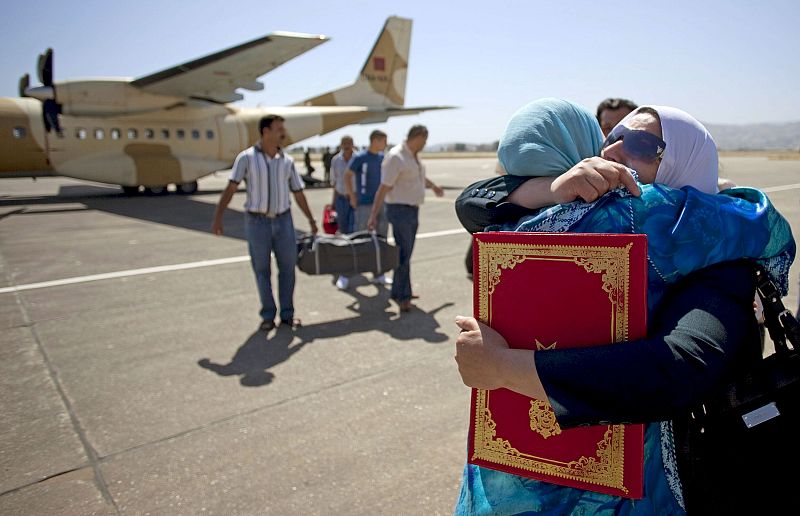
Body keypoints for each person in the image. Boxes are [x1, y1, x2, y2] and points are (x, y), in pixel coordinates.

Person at [453, 99, 795, 514]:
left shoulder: (717, 250)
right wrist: (550, 187)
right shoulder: (582, 220)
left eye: (638, 143)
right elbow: (475, 199)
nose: (612, 151)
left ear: (684, 160)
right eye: (608, 138)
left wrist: (503, 367)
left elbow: (679, 367)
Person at [211, 115, 318, 331]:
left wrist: (311, 219)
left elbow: (298, 193)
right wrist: (218, 218)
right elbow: (231, 188)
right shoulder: (246, 158)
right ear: (265, 132)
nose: (283, 133)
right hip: (257, 222)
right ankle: (268, 314)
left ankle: (287, 314)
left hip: (283, 220)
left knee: (287, 268)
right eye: (279, 129)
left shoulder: (287, 161)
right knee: (262, 270)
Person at [368, 125, 444, 312]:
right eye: (424, 140)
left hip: (411, 210)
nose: (425, 144)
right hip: (399, 210)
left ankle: (401, 291)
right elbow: (383, 188)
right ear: (418, 137)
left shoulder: (412, 157)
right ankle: (403, 296)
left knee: (406, 253)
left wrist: (433, 186)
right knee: (403, 254)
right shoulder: (396, 157)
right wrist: (373, 215)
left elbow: (418, 177)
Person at [340, 129, 391, 289]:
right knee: (358, 238)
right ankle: (345, 274)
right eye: (384, 141)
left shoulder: (383, 158)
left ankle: (378, 273)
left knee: (381, 239)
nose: (385, 144)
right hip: (364, 204)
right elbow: (347, 175)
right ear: (375, 141)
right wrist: (352, 196)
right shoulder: (360, 157)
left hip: (382, 204)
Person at [330, 136, 357, 290]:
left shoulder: (358, 159)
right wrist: (333, 203)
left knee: (356, 232)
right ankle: (345, 271)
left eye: (349, 143)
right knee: (344, 231)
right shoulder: (336, 161)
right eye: (344, 143)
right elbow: (334, 182)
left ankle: (355, 263)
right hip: (341, 199)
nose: (347, 146)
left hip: (355, 199)